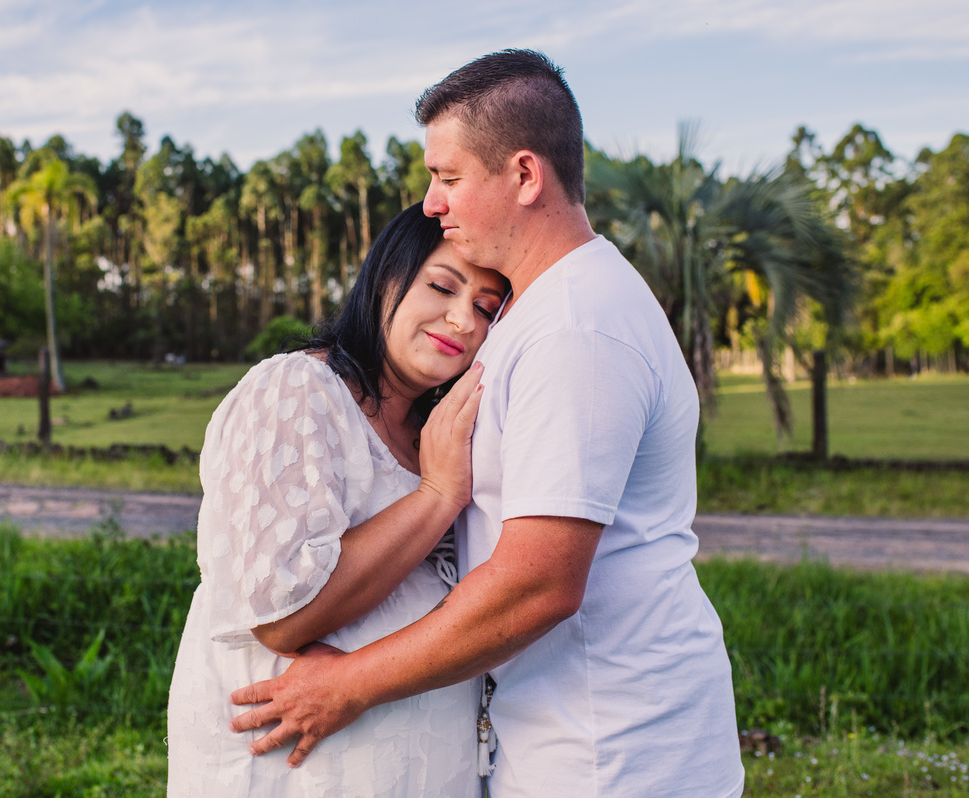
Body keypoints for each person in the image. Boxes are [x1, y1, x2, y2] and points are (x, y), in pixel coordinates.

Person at [229, 50, 746, 797]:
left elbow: (538, 583)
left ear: (526, 176)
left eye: (448, 177)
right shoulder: (537, 311)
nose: (431, 203)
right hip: (561, 736)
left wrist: (348, 686)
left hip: (612, 753)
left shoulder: (577, 327)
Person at [166, 203, 508, 796]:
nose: (462, 322)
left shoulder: (435, 432)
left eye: (484, 309)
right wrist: (437, 496)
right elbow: (284, 613)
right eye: (442, 287)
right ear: (387, 276)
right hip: (296, 773)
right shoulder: (299, 389)